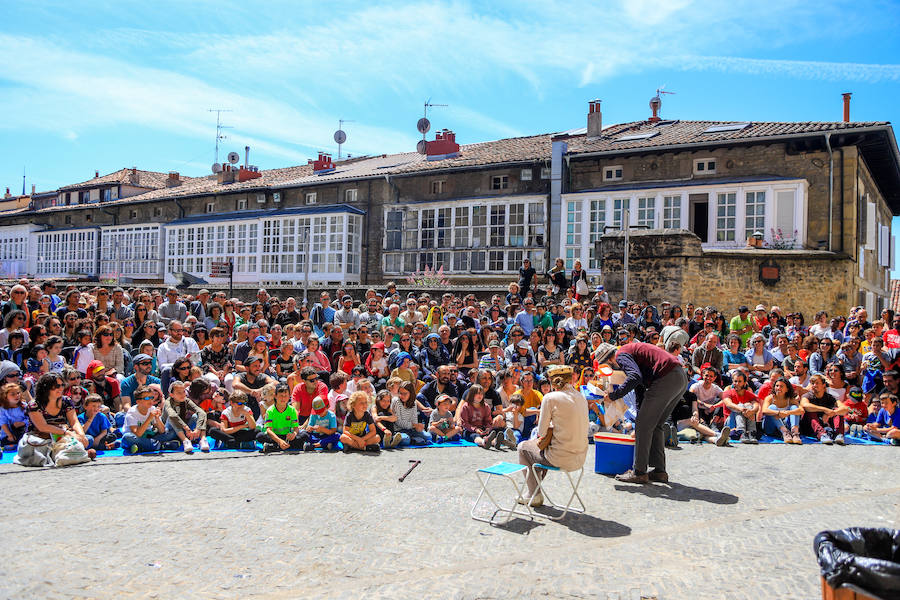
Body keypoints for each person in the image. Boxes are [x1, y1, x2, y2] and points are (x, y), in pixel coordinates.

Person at [594, 339, 688, 484]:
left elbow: (634, 377)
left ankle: (639, 472)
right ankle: (659, 471)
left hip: (667, 377)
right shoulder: (630, 353)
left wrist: (613, 396)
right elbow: (639, 387)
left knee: (644, 426)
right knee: (655, 425)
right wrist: (640, 413)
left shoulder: (621, 354)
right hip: (679, 377)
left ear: (610, 359)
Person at [516, 364, 589, 507]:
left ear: (553, 381)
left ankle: (533, 493)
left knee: (523, 447)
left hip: (560, 458)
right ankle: (535, 490)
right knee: (537, 451)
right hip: (580, 458)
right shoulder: (581, 397)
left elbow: (541, 432)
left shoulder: (550, 398)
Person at [121, 385, 178, 453]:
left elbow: (162, 431)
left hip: (149, 436)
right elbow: (138, 434)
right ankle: (161, 445)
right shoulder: (132, 413)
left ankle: (141, 447)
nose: (150, 400)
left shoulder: (152, 408)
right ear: (138, 401)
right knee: (127, 438)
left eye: (151, 398)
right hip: (136, 437)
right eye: (147, 398)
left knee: (171, 433)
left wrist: (157, 419)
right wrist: (149, 418)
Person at [800, 373, 848, 445]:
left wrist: (832, 413)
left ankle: (838, 435)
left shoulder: (829, 397)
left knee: (837, 410)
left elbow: (844, 408)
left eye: (817, 383)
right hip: (809, 427)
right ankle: (822, 434)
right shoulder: (807, 396)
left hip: (824, 424)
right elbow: (805, 405)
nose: (814, 385)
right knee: (810, 412)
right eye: (812, 383)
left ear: (824, 385)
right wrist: (825, 410)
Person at [163, 380, 210, 453]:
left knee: (198, 415)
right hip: (169, 431)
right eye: (179, 393)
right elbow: (172, 415)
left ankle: (203, 439)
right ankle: (185, 441)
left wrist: (197, 428)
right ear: (171, 395)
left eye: (183, 392)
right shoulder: (168, 402)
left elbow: (201, 412)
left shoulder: (186, 401)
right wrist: (186, 427)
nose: (182, 394)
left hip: (184, 430)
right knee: (172, 417)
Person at [258, 383, 303, 453]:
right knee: (260, 436)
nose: (283, 398)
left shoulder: (292, 410)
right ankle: (280, 445)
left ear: (289, 397)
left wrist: (293, 434)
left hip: (287, 436)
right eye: (281, 396)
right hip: (274, 436)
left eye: (286, 396)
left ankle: (274, 447)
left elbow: (296, 428)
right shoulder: (270, 411)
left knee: (304, 435)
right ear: (275, 396)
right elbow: (269, 430)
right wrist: (279, 441)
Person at [760, 377, 804, 444]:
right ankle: (785, 432)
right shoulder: (770, 398)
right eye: (777, 386)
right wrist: (778, 413)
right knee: (772, 407)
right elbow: (764, 410)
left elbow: (801, 410)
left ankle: (795, 433)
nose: (778, 388)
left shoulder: (790, 399)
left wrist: (788, 412)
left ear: (787, 389)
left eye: (781, 386)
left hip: (786, 425)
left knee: (794, 407)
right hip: (771, 428)